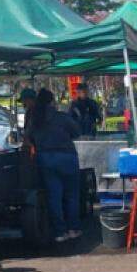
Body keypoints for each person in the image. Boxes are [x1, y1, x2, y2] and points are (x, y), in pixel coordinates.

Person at [29, 88, 83, 243]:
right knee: (72, 195)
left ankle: (60, 232)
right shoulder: (62, 117)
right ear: (52, 101)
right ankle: (73, 228)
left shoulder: (35, 119)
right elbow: (77, 131)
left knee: (54, 196)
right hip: (67, 157)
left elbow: (29, 137)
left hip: (46, 158)